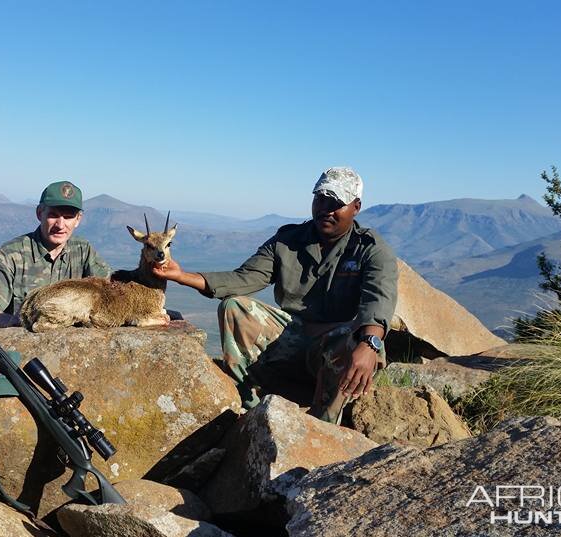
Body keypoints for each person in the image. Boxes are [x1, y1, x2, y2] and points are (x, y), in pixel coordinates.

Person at [152, 167, 398, 423]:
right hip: (291, 336)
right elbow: (243, 278)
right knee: (234, 307)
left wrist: (370, 345)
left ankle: (324, 425)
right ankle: (249, 411)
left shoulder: (370, 249)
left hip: (336, 343)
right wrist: (183, 276)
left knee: (361, 340)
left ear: (356, 207)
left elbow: (379, 299)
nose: (325, 209)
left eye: (336, 203)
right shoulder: (287, 241)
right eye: (320, 199)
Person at [0, 180, 111, 328]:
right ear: (40, 213)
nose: (60, 225)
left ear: (78, 219)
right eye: (53, 215)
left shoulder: (83, 251)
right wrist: (16, 324)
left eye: (68, 217)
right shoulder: (10, 255)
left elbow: (110, 291)